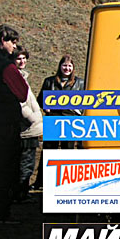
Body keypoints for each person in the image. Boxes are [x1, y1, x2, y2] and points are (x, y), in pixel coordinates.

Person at [0, 25, 28, 223]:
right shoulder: (6, 66)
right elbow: (22, 93)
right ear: (3, 40)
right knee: (5, 169)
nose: (14, 46)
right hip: (6, 125)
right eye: (13, 42)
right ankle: (1, 211)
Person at [34, 54, 84, 190]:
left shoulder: (80, 83)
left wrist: (78, 111)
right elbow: (40, 99)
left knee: (68, 151)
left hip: (70, 121)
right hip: (53, 119)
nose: (67, 68)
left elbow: (85, 101)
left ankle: (66, 182)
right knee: (49, 151)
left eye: (69, 66)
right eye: (64, 65)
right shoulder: (49, 81)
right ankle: (42, 182)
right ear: (60, 66)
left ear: (73, 68)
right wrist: (45, 107)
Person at [11, 46, 42, 203]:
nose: (22, 61)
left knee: (27, 163)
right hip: (26, 129)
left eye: (24, 58)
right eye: (19, 58)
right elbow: (21, 102)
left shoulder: (22, 76)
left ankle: (22, 192)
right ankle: (20, 195)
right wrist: (32, 118)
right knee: (25, 163)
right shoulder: (15, 77)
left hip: (30, 128)